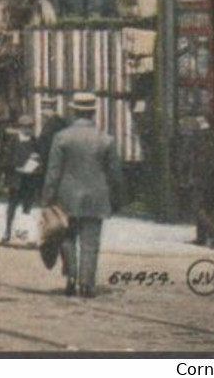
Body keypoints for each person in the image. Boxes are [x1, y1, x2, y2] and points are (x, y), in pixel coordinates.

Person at [42, 91, 125, 298]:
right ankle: (87, 285)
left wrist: (47, 199)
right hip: (96, 199)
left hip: (66, 198)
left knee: (67, 239)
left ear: (74, 111)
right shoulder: (106, 140)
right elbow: (115, 175)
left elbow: (53, 173)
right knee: (91, 243)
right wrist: (117, 199)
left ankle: (71, 277)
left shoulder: (61, 138)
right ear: (93, 113)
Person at [179, 115, 214, 249]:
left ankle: (213, 231)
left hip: (198, 178)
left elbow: (186, 159)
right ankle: (202, 238)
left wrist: (183, 176)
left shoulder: (193, 139)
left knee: (197, 207)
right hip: (213, 179)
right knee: (207, 207)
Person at [1, 116, 42, 242]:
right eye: (26, 127)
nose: (29, 130)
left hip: (29, 180)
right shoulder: (13, 141)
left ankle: (25, 233)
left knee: (27, 208)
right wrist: (16, 167)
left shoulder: (35, 142)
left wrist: (36, 161)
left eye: (30, 127)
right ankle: (7, 231)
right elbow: (5, 160)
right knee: (12, 207)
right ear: (20, 127)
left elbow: (40, 159)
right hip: (15, 179)